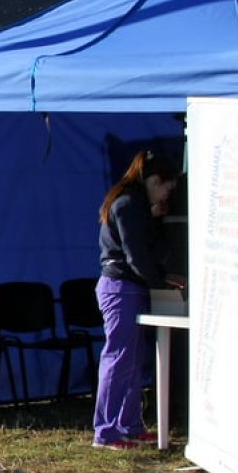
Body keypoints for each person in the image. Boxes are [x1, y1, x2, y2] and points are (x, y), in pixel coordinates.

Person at [93, 150, 184, 450]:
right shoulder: (128, 204)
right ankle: (105, 431)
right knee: (119, 359)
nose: (165, 196)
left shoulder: (135, 204)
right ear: (155, 180)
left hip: (131, 287)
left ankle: (130, 424)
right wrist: (161, 281)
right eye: (166, 189)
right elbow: (136, 257)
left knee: (131, 362)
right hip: (120, 288)